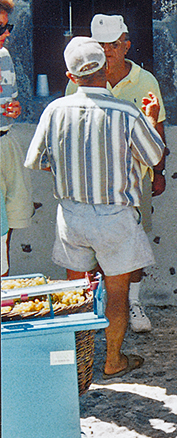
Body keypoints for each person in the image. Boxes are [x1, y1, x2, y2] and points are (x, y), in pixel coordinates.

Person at [24, 36, 164, 378]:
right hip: (115, 215)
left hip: (71, 214)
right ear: (105, 69)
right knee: (117, 293)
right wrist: (149, 120)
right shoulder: (127, 112)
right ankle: (113, 360)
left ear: (71, 77)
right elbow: (154, 156)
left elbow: (38, 160)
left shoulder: (55, 110)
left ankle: (76, 362)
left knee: (75, 291)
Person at [65, 14, 169, 332]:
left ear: (126, 45)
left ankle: (132, 303)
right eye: (100, 44)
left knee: (132, 246)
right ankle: (93, 307)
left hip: (134, 183)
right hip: (90, 183)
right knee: (90, 250)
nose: (107, 51)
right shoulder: (77, 80)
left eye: (113, 44)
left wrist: (159, 171)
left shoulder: (146, 80)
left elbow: (158, 129)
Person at [0, 0, 32, 276]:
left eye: (7, 26)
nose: (7, 33)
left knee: (10, 219)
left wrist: (15, 109)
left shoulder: (4, 56)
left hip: (6, 142)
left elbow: (11, 102)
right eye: (0, 28)